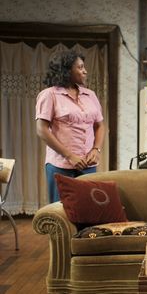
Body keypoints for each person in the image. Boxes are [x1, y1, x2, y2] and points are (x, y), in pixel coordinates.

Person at [36, 50, 105, 203]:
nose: (85, 71)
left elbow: (100, 125)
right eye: (80, 67)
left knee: (89, 210)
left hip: (88, 164)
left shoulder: (90, 95)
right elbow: (41, 129)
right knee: (61, 212)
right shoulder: (50, 95)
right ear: (66, 71)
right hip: (60, 165)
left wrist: (96, 149)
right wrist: (69, 156)